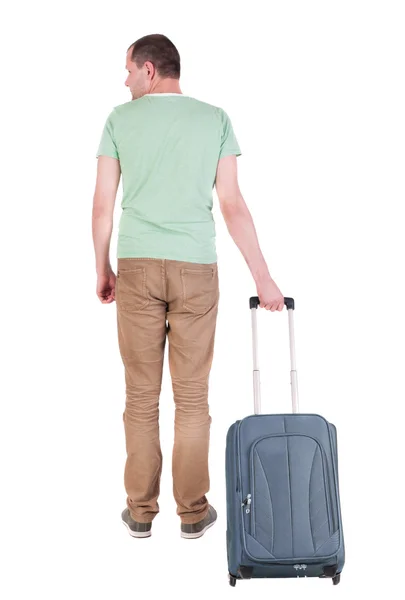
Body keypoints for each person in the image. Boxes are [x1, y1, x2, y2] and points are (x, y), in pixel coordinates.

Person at [92, 33, 284, 540]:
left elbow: (102, 206)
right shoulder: (215, 119)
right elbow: (233, 205)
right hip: (197, 268)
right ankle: (194, 514)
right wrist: (264, 279)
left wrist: (102, 268)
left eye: (129, 69)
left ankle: (139, 512)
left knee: (141, 396)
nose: (125, 79)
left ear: (150, 70)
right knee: (193, 398)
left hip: (134, 267)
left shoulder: (119, 120)